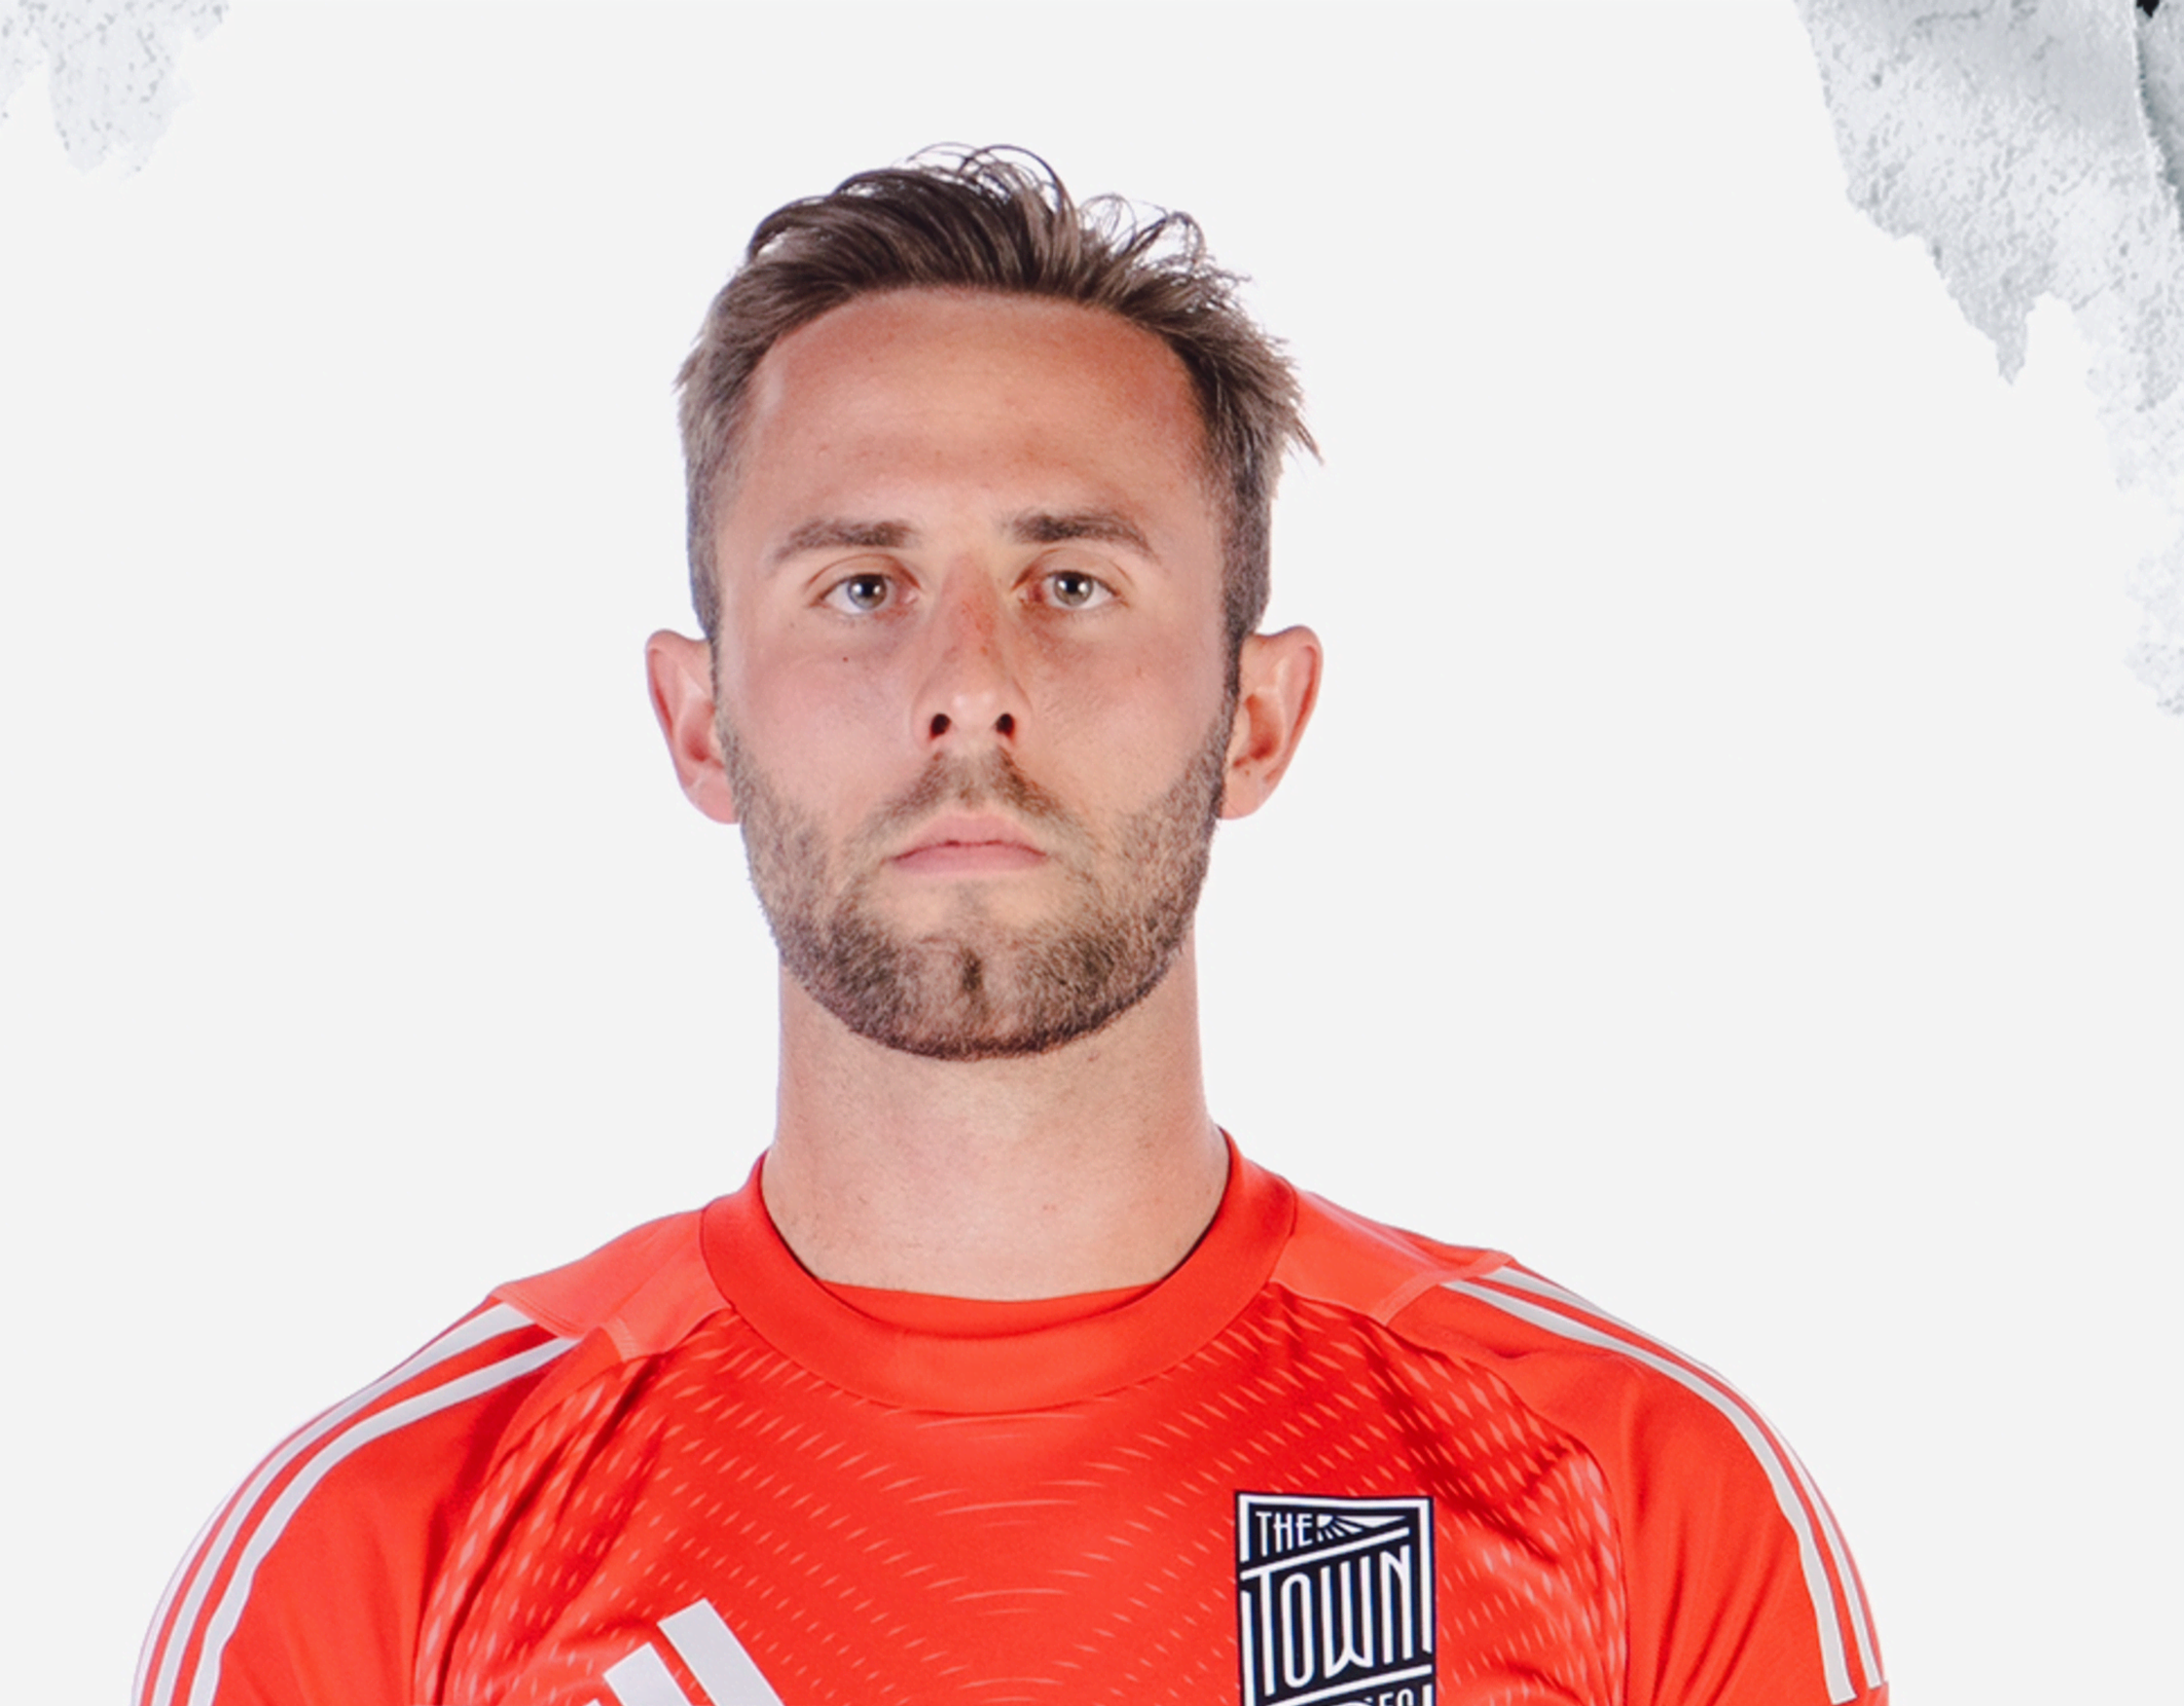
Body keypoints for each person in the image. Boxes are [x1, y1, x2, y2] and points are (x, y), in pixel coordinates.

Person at [134, 148, 1886, 1706]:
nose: (967, 687)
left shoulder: (1641, 1504)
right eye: (861, 587)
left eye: (1073, 583)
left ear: (1258, 717)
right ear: (697, 721)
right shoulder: (383, 1551)